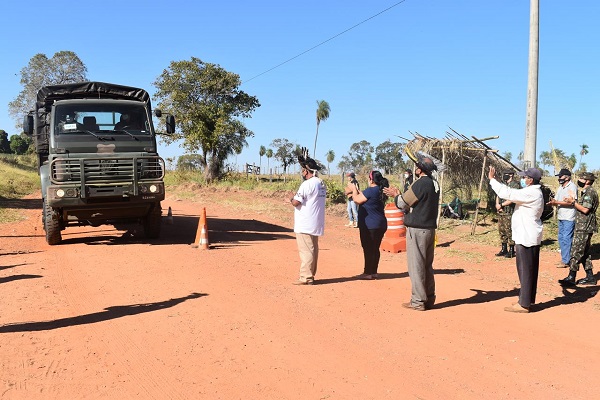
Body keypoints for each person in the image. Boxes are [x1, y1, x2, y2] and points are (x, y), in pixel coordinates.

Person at [384, 155, 440, 311]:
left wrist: (396, 194)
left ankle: (417, 301)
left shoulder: (420, 184)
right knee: (427, 265)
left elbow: (403, 203)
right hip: (429, 229)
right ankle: (429, 297)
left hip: (417, 229)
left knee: (416, 266)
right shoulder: (434, 184)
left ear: (420, 169)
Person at [488, 166, 544, 313]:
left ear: (530, 180)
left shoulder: (530, 192)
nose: (523, 179)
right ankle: (526, 300)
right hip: (529, 234)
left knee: (525, 270)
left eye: (525, 177)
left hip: (526, 236)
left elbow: (508, 193)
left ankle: (524, 304)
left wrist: (492, 180)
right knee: (529, 269)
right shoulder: (533, 191)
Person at [289, 151, 327, 285]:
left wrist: (290, 197)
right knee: (313, 250)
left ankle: (306, 277)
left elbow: (296, 202)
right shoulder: (321, 183)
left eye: (302, 170)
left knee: (306, 251)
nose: (301, 172)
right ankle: (310, 275)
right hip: (316, 222)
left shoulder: (307, 184)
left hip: (305, 223)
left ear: (306, 171)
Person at [558, 172, 598, 286]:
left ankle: (571, 276)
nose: (579, 180)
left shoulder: (589, 192)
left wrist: (573, 202)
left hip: (584, 226)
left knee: (576, 250)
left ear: (588, 181)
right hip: (583, 225)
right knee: (585, 252)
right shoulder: (586, 191)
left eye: (582, 178)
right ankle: (590, 277)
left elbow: (585, 210)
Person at [350, 170, 389, 279]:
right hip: (380, 223)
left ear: (371, 179)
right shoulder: (380, 190)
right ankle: (374, 272)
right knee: (375, 248)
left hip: (370, 224)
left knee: (368, 248)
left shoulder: (370, 190)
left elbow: (357, 200)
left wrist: (353, 190)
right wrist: (358, 191)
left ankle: (367, 273)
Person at [546, 168, 577, 268]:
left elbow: (571, 202)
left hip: (569, 216)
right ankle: (565, 258)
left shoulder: (572, 187)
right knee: (561, 238)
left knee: (566, 238)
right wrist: (552, 202)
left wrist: (556, 203)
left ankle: (566, 260)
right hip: (561, 216)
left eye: (561, 176)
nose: (559, 178)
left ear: (567, 177)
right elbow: (557, 200)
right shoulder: (560, 188)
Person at [495, 170, 521, 258]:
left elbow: (512, 199)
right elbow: (498, 195)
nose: (504, 176)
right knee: (502, 230)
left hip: (510, 212)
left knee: (509, 231)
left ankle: (511, 250)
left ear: (511, 175)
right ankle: (504, 248)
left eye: (506, 174)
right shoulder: (504, 185)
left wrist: (501, 205)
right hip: (501, 212)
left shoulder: (515, 185)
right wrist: (497, 205)